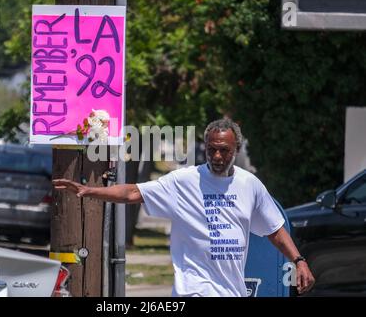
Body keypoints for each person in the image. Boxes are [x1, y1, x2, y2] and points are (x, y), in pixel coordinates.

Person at [52, 118, 315, 297]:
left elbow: (274, 229)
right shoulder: (184, 180)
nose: (217, 157)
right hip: (194, 288)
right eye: (211, 150)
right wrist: (90, 191)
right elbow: (134, 191)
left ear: (236, 148)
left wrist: (299, 261)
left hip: (231, 290)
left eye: (223, 150)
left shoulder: (250, 185)